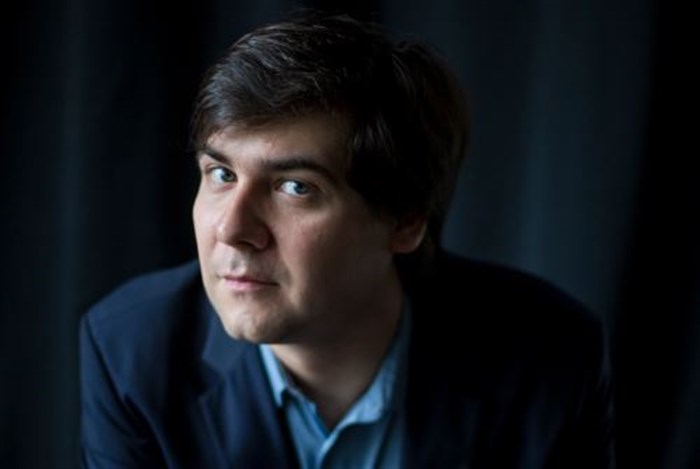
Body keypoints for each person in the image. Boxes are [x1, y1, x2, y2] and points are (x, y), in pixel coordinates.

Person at [79, 12, 615, 468]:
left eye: (295, 187)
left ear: (405, 221)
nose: (232, 230)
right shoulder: (131, 352)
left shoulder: (552, 358)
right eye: (221, 174)